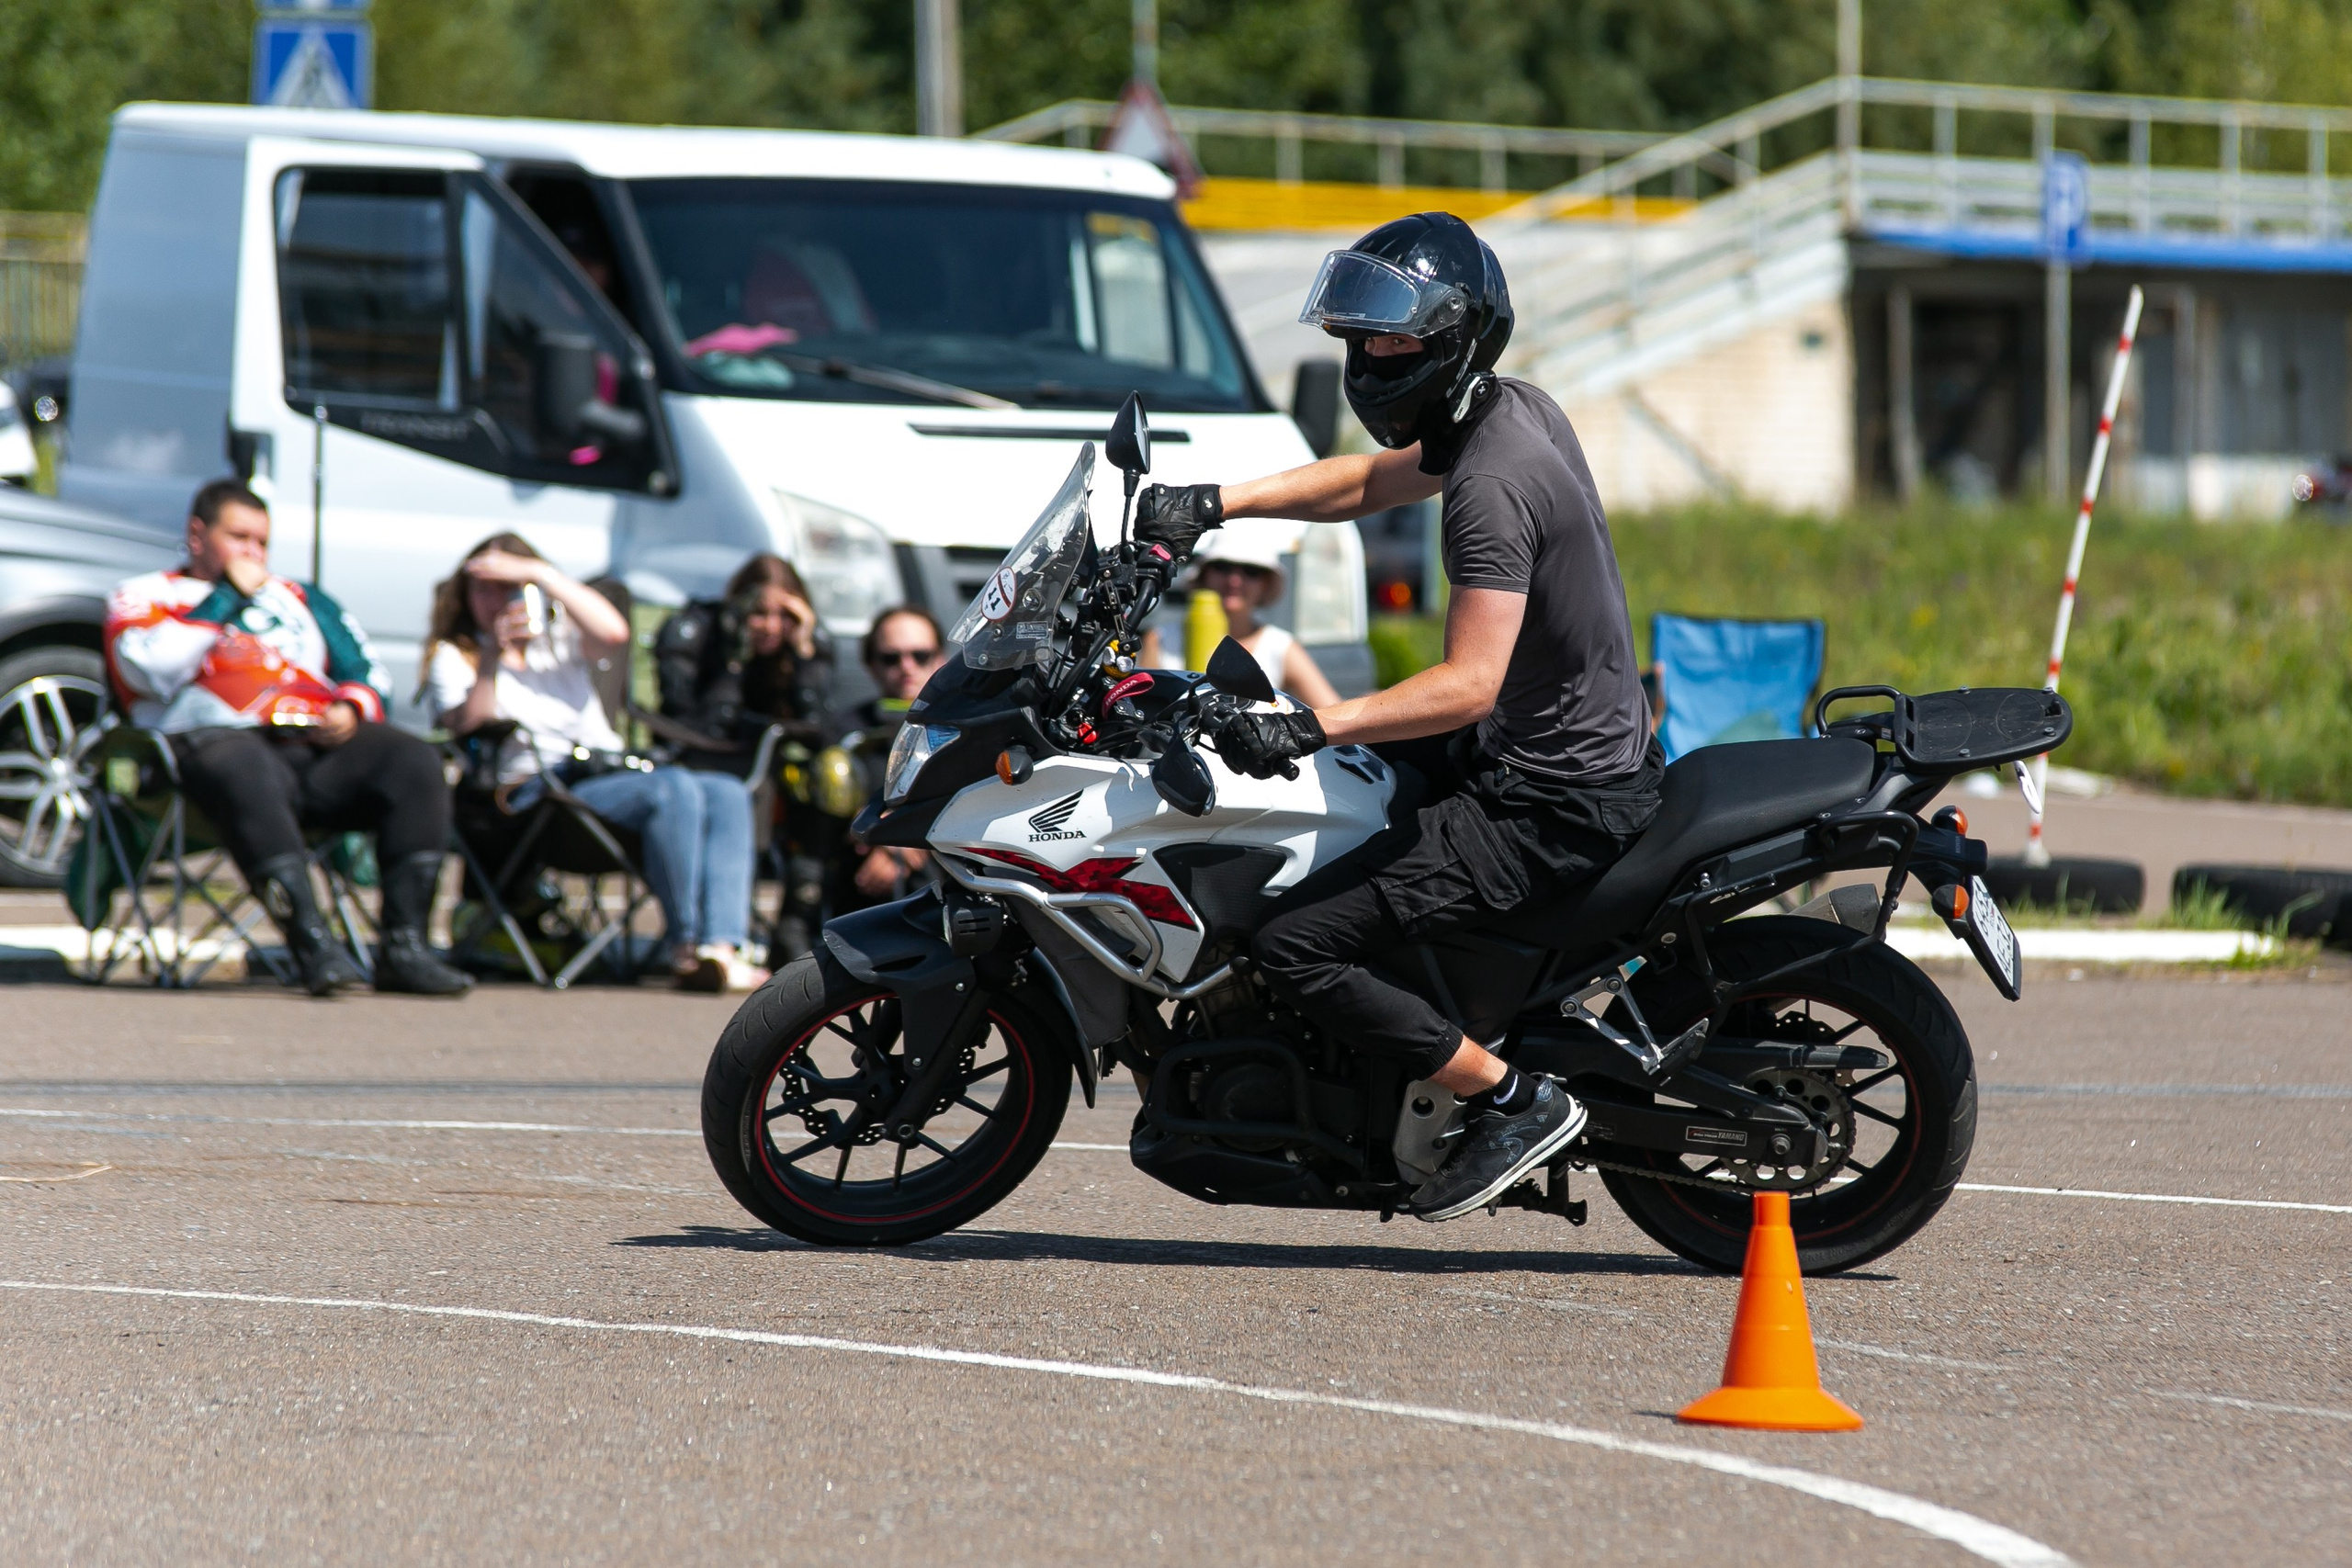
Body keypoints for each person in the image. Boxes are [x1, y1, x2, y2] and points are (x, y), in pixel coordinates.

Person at [1131, 212, 1663, 1222]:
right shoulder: (1510, 413)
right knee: (1353, 823)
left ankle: (1512, 1101)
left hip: (1553, 799)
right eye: (1360, 338)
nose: (1369, 358)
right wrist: (1214, 503)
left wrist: (1308, 726)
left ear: (1454, 338)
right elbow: (1372, 479)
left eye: (1391, 339)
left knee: (1295, 944)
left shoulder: (1494, 487)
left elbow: (1466, 684)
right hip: (1550, 749)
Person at [103, 479, 470, 997]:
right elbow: (149, 670)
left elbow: (364, 670)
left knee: (412, 761)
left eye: (261, 542)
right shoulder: (146, 594)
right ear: (198, 534)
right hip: (209, 754)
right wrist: (228, 596)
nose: (253, 553)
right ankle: (312, 944)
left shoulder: (300, 597)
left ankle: (405, 946)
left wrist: (348, 708)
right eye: (239, 537)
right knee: (240, 762)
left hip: (312, 747)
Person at [422, 534, 768, 993]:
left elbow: (614, 633)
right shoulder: (457, 654)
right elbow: (467, 722)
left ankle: (722, 949)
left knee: (725, 790)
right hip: (535, 800)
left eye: (511, 587)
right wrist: (492, 658)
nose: (498, 599)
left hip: (607, 778)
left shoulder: (559, 638)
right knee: (674, 787)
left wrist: (541, 574)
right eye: (485, 588)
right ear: (464, 595)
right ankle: (686, 945)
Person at [653, 553, 836, 958]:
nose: (771, 627)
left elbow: (821, 733)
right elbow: (698, 732)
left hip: (771, 771)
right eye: (758, 614)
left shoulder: (804, 648)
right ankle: (710, 938)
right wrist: (735, 659)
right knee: (735, 791)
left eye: (785, 615)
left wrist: (804, 652)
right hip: (703, 766)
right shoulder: (701, 635)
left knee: (828, 781)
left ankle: (796, 926)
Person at [1138, 529, 1341, 705]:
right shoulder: (1161, 639)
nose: (1234, 580)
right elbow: (1140, 710)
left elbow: (1333, 712)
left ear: (1265, 584)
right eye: (1223, 566)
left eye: (1251, 571)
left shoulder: (1279, 647)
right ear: (1204, 574)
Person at [831, 606, 946, 911]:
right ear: (870, 665)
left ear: (941, 659)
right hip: (859, 878)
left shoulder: (967, 727)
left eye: (920, 655)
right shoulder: (844, 731)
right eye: (891, 658)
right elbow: (830, 812)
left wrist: (904, 843)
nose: (907, 667)